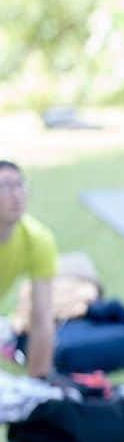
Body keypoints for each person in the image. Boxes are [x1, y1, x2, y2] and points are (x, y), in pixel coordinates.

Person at [0, 161, 56, 378]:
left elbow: (42, 316)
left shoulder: (37, 240)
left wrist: (37, 382)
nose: (16, 196)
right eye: (5, 187)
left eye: (19, 186)